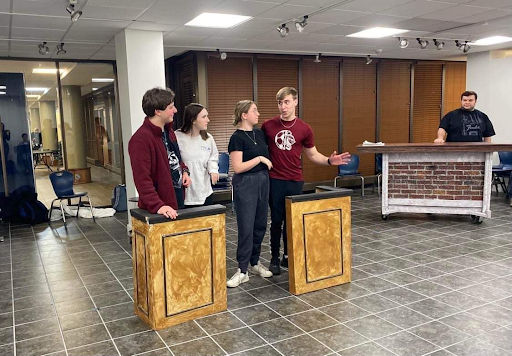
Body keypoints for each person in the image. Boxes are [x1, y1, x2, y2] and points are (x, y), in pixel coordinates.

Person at [261, 87, 351, 275]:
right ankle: (275, 258)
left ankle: (288, 256)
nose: (283, 106)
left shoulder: (304, 128)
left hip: (295, 180)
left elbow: (313, 154)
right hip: (275, 179)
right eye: (279, 103)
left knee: (291, 220)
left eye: (286, 102)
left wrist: (328, 161)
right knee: (276, 220)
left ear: (295, 102)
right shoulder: (268, 126)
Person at [226, 100, 273, 288]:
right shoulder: (236, 138)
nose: (258, 114)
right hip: (246, 183)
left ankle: (254, 263)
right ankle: (242, 270)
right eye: (254, 111)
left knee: (260, 225)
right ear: (244, 115)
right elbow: (238, 167)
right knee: (246, 226)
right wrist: (260, 158)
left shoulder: (260, 134)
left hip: (263, 180)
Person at [128, 87, 190, 218]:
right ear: (158, 112)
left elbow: (176, 158)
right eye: (171, 107)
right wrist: (158, 205)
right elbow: (142, 179)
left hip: (176, 201)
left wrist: (184, 171)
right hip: (161, 209)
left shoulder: (169, 131)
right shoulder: (140, 140)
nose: (175, 110)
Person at [176, 103, 219, 207]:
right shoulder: (177, 137)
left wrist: (213, 170)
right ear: (193, 120)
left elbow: (213, 157)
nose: (208, 120)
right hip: (186, 193)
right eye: (204, 117)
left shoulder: (208, 138)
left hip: (204, 191)